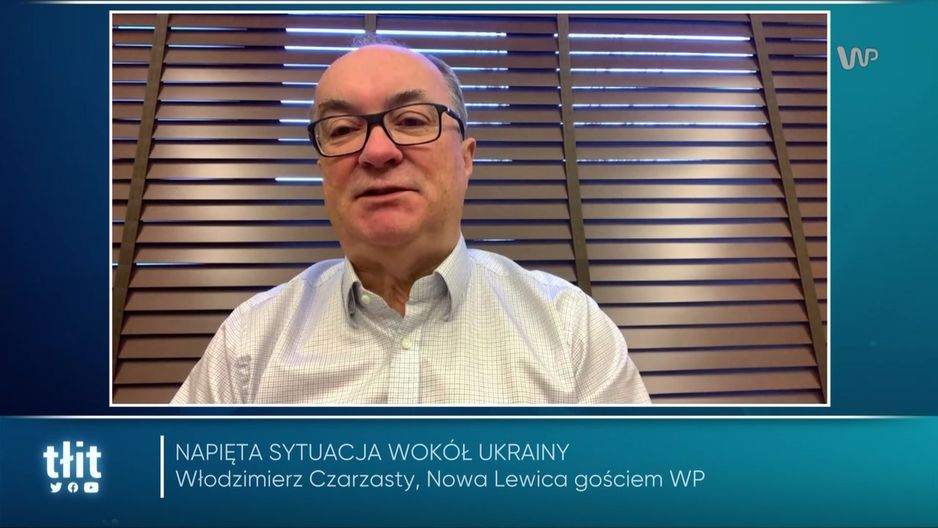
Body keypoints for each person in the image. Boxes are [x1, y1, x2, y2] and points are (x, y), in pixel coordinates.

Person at [171, 39, 650, 405]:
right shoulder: (250, 342)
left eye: (413, 121)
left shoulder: (569, 329)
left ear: (466, 158)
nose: (377, 151)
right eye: (343, 129)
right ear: (322, 170)